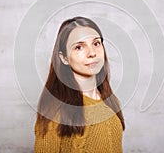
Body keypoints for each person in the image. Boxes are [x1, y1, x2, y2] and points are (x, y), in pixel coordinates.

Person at [34, 16, 125, 153]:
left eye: (96, 43)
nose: (92, 53)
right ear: (64, 58)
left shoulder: (110, 100)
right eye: (79, 47)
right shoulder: (55, 110)